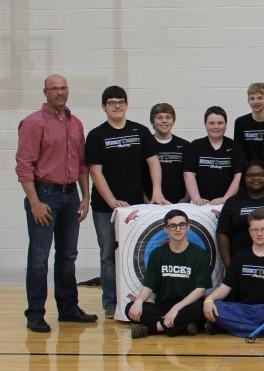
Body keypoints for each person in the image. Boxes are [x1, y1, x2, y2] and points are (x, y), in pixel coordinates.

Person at [17, 74, 97, 332]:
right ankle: (35, 314)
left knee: (68, 255)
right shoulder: (32, 123)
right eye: (55, 89)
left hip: (70, 194)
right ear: (45, 92)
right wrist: (35, 203)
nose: (60, 92)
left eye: (64, 88)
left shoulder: (76, 124)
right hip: (45, 195)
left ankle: (68, 308)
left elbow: (82, 164)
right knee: (39, 257)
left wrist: (85, 196)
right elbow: (24, 166)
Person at [86, 85, 170, 318]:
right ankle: (111, 303)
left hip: (137, 208)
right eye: (112, 102)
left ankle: (135, 299)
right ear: (104, 107)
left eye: (121, 101)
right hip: (105, 209)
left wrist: (156, 192)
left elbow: (153, 162)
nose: (117, 106)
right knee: (108, 255)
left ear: (126, 104)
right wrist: (112, 201)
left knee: (136, 251)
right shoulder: (96, 135)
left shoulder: (140, 131)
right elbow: (95, 172)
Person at [203, 209, 264, 340]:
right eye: (255, 230)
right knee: (216, 307)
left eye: (263, 229)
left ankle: (231, 326)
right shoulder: (240, 257)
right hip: (242, 309)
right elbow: (224, 288)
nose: (259, 233)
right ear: (250, 232)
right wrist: (209, 300)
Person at [125, 209, 211, 339]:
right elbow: (149, 285)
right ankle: (182, 327)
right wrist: (139, 301)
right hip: (163, 306)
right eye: (173, 225)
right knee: (130, 307)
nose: (178, 229)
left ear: (188, 227)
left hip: (187, 305)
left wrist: (176, 309)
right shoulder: (157, 254)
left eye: (182, 225)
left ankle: (153, 328)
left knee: (200, 309)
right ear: (166, 229)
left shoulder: (200, 254)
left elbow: (200, 289)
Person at [216, 161, 264, 266]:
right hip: (241, 263)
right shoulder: (233, 202)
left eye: (260, 175)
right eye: (250, 175)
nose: (255, 178)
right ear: (244, 178)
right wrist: (229, 265)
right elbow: (222, 233)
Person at [184, 106, 245, 205]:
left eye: (220, 123)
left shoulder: (235, 147)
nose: (216, 126)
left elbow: (238, 176)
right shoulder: (195, 145)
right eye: (211, 123)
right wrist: (196, 198)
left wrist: (225, 199)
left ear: (226, 125)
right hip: (199, 204)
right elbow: (189, 174)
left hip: (227, 203)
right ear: (205, 125)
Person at [147, 103, 189, 203]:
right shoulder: (146, 145)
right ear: (153, 122)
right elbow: (138, 176)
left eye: (168, 117)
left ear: (173, 121)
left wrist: (186, 199)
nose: (164, 120)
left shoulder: (185, 145)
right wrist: (146, 201)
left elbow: (189, 174)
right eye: (159, 117)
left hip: (179, 203)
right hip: (151, 203)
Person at [234, 82, 264, 163]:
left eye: (260, 98)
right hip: (249, 172)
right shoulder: (240, 123)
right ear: (248, 100)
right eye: (252, 98)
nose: (255, 102)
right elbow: (239, 153)